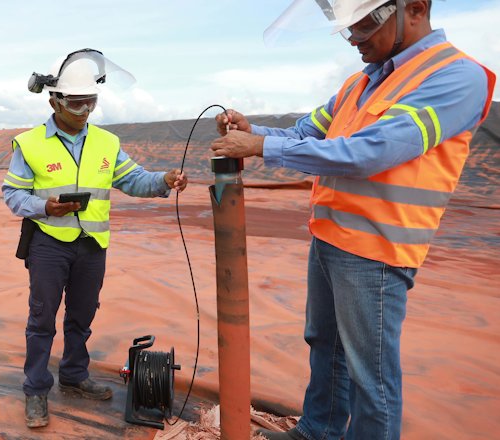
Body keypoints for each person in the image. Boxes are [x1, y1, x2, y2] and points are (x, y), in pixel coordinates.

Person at [210, 1, 494, 439]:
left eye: (363, 26)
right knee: (326, 348)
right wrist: (256, 132)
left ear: (414, 9)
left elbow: (372, 151)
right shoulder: (361, 83)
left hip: (376, 253)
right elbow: (304, 133)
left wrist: (260, 148)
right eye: (348, 30)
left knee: (370, 377)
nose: (355, 40)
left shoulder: (456, 77)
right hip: (329, 238)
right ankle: (317, 431)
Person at [2, 48, 188, 428]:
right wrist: (44, 207)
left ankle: (73, 373)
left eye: (91, 101)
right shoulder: (29, 143)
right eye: (76, 102)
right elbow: (13, 194)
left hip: (92, 247)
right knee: (42, 320)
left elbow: (133, 179)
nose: (84, 109)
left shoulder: (108, 142)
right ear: (54, 99)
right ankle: (36, 389)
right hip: (49, 245)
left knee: (82, 316)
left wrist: (163, 181)